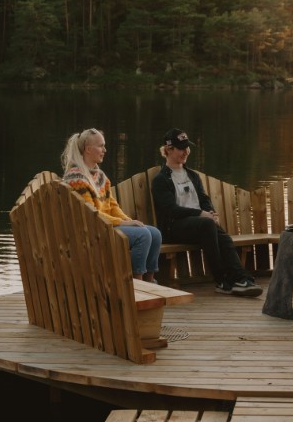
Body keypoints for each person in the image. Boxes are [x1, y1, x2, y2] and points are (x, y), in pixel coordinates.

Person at [151, 129, 260, 296]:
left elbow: (204, 199)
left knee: (221, 234)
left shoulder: (192, 175)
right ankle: (222, 280)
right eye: (181, 148)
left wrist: (211, 212)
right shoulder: (161, 180)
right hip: (174, 228)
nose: (186, 151)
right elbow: (170, 211)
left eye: (187, 147)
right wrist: (201, 214)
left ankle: (240, 278)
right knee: (208, 224)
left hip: (200, 225)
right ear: (168, 150)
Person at [59, 127, 163, 281]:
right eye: (100, 146)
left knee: (155, 233)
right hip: (92, 230)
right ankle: (137, 284)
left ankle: (151, 281)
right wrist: (122, 222)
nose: (105, 150)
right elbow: (91, 214)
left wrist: (127, 221)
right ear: (88, 149)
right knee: (143, 235)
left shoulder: (99, 175)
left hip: (106, 225)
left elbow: (112, 206)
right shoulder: (76, 178)